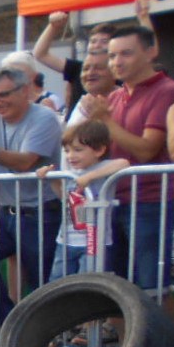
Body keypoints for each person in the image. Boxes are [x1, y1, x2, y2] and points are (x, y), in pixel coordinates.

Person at [0, 67, 63, 337]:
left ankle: (50, 341)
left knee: (42, 282)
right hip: (6, 213)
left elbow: (26, 162)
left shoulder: (44, 118)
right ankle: (6, 320)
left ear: (25, 91)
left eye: (3, 95)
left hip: (40, 214)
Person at [81, 25, 174, 303]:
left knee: (152, 289)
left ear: (151, 52)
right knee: (115, 288)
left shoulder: (167, 90)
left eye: (125, 54)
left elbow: (147, 150)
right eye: (112, 56)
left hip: (149, 201)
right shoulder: (113, 96)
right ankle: (128, 346)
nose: (117, 62)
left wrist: (106, 121)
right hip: (112, 201)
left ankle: (164, 346)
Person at [36, 120, 128, 282]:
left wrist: (89, 177)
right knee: (56, 285)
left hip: (94, 242)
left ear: (99, 150)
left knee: (89, 284)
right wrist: (52, 179)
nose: (71, 156)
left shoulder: (103, 167)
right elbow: (65, 197)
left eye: (78, 150)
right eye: (67, 151)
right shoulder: (71, 173)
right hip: (66, 240)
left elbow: (123, 163)